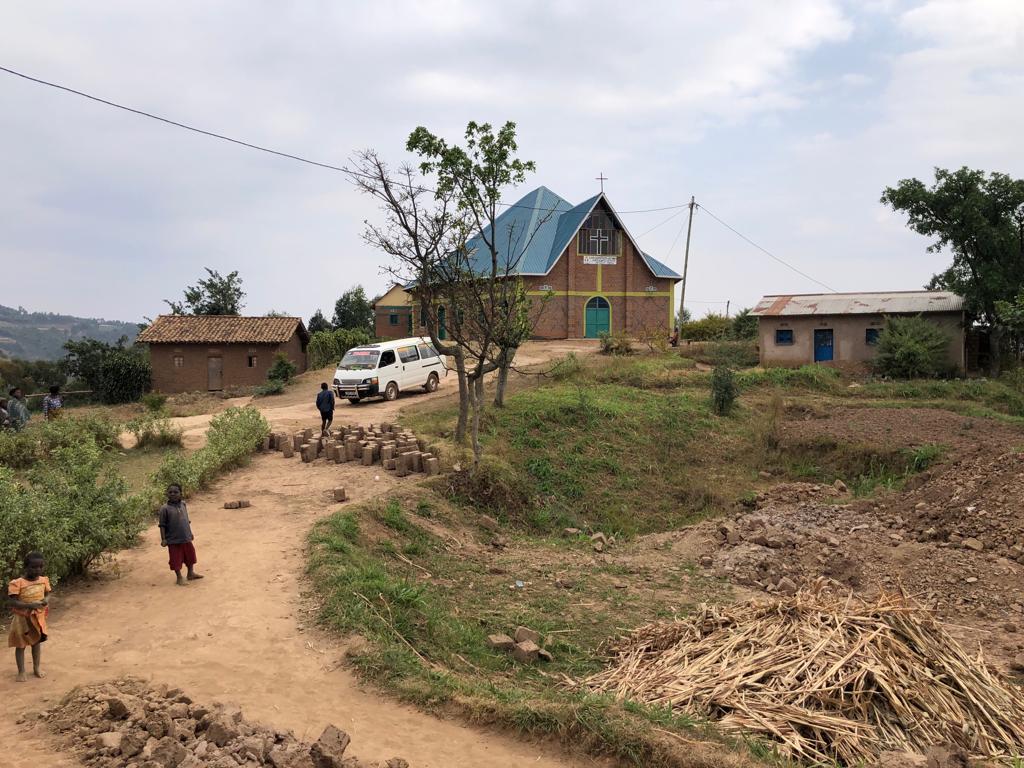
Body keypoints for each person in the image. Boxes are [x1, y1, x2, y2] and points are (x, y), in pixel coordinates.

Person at [7, 551, 51, 682]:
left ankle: (36, 668)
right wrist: (30, 605)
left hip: (37, 619)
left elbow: (48, 594)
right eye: (33, 567)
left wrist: (46, 600)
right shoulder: (18, 583)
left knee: (36, 643)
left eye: (40, 567)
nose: (37, 570)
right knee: (20, 645)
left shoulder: (43, 580)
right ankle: (21, 671)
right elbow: (13, 601)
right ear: (25, 567)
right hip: (22, 620)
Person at [158, 484, 203, 587]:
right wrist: (163, 539)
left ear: (180, 494)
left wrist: (190, 533)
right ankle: (179, 577)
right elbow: (162, 526)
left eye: (175, 492)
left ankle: (190, 573)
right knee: (175, 559)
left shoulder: (183, 504)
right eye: (170, 492)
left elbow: (187, 520)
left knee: (190, 555)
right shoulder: (164, 509)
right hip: (173, 540)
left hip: (186, 537)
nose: (173, 494)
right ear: (167, 494)